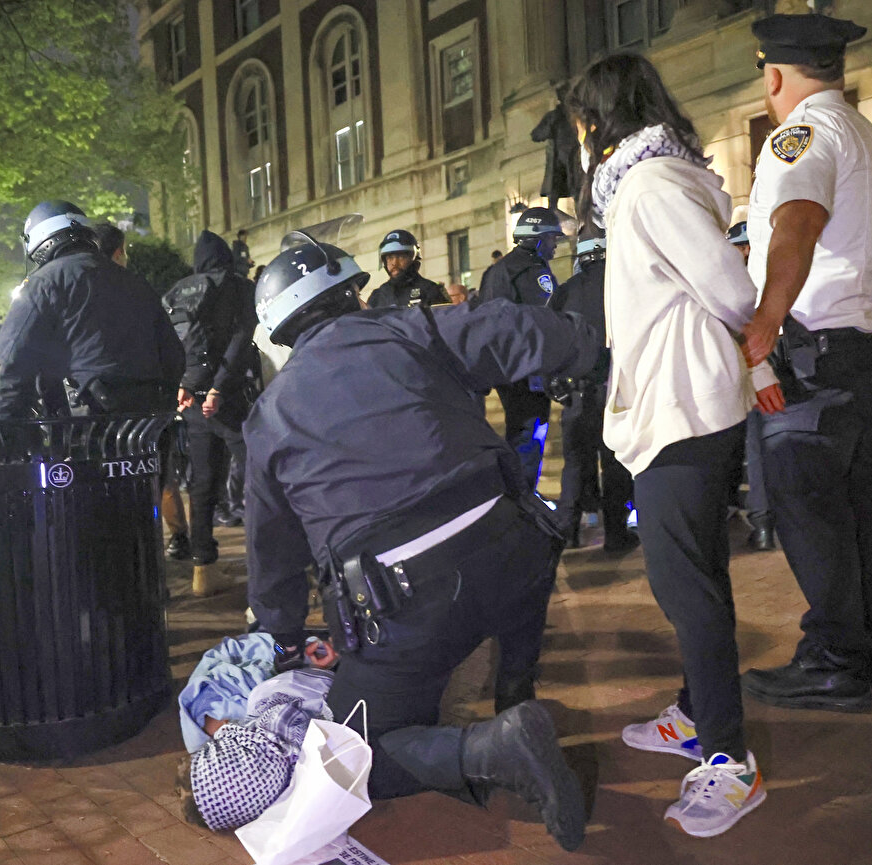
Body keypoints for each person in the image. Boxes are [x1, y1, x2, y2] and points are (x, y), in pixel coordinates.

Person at [244, 233, 599, 852]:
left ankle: (494, 747)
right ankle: (516, 692)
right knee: (516, 576)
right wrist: (587, 346)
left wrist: (283, 637)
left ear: (281, 331)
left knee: (354, 756)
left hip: (406, 605)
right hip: (516, 550)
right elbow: (518, 328)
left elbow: (272, 555)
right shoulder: (416, 329)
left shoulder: (269, 416)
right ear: (352, 293)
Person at [567, 53, 782, 838]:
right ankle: (697, 713)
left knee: (684, 583)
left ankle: (728, 757)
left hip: (680, 407)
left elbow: (730, 287)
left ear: (599, 118)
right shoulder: (649, 180)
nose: (577, 136)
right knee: (697, 572)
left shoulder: (650, 186)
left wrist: (751, 356)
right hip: (677, 402)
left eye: (580, 121)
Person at [738, 14, 872, 710]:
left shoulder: (800, 134)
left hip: (816, 350)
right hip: (864, 346)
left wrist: (764, 321)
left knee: (807, 502)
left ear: (774, 74)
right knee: (857, 502)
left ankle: (836, 657)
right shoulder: (869, 136)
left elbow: (798, 222)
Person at [0, 200, 184, 417]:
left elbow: (14, 359)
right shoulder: (135, 282)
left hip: (85, 421)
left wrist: (9, 425)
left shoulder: (43, 283)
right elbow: (174, 355)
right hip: (145, 422)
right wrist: (163, 407)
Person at [166, 230, 258, 596]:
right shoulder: (239, 287)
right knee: (258, 477)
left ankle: (203, 569)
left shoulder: (179, 291)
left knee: (202, 485)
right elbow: (241, 339)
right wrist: (220, 387)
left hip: (193, 401)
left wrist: (185, 385)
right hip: (230, 398)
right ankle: (270, 560)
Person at [92, 221, 191, 555]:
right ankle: (156, 554)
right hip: (147, 408)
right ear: (119, 252)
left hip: (99, 414)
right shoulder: (139, 290)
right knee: (154, 478)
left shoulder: (75, 292)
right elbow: (172, 352)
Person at [547, 236, 635, 553]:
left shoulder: (564, 291)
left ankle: (569, 531)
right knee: (614, 463)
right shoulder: (624, 287)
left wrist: (553, 383)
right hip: (615, 388)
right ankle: (616, 534)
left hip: (576, 390)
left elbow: (549, 339)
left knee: (575, 464)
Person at [476, 207, 566, 489]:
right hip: (527, 369)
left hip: (507, 367)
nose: (555, 245)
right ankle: (522, 496)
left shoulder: (499, 270)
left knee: (520, 433)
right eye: (552, 238)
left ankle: (517, 494)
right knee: (529, 435)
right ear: (537, 238)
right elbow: (545, 319)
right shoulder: (532, 271)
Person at [726, 222, 777, 552]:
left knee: (755, 450)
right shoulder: (771, 276)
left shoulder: (734, 284)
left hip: (751, 372)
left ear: (744, 249)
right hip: (778, 367)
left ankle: (762, 526)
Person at [365, 230, 449, 309]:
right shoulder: (377, 296)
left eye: (401, 257)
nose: (394, 263)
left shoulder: (431, 290)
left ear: (413, 258)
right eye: (390, 258)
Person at [531, 84, 580, 210]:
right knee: (554, 194)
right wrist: (550, 127)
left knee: (578, 190)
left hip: (574, 157)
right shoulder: (553, 117)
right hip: (558, 160)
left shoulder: (577, 114)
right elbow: (536, 135)